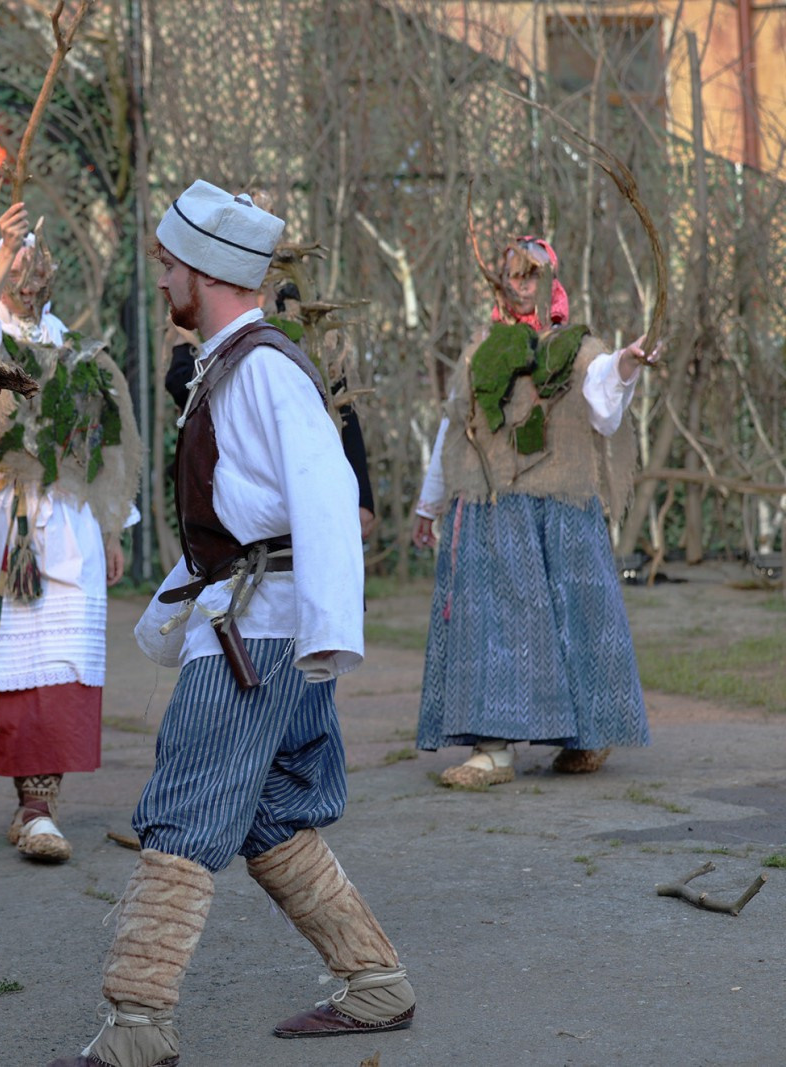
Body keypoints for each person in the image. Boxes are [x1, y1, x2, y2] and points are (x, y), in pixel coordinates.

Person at [48, 182, 415, 1067]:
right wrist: (180, 604)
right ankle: (375, 983)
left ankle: (137, 1027)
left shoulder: (261, 368)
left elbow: (326, 501)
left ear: (206, 270)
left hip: (261, 637)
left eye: (170, 263)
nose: (163, 276)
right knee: (273, 816)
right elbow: (239, 518)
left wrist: (327, 633)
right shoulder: (231, 362)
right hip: (257, 621)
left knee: (182, 813)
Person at [0, 200, 139, 864]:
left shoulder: (73, 347)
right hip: (3, 522)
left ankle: (39, 806)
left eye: (35, 258)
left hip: (68, 522)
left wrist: (113, 529)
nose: (29, 269)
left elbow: (103, 446)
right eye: (17, 260)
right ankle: (34, 808)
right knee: (13, 663)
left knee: (63, 663)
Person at [412, 236, 655, 787]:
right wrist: (430, 504)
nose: (520, 285)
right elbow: (457, 427)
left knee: (574, 622)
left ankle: (587, 738)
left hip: (561, 511)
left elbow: (604, 405)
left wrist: (625, 364)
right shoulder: (483, 349)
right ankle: (493, 750)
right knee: (491, 625)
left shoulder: (579, 347)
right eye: (512, 275)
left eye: (531, 275)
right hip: (491, 509)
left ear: (551, 281)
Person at [165, 281, 377, 538]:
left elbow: (341, 409)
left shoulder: (292, 314)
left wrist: (362, 496)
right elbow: (182, 385)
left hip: (291, 494)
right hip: (229, 493)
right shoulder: (218, 321)